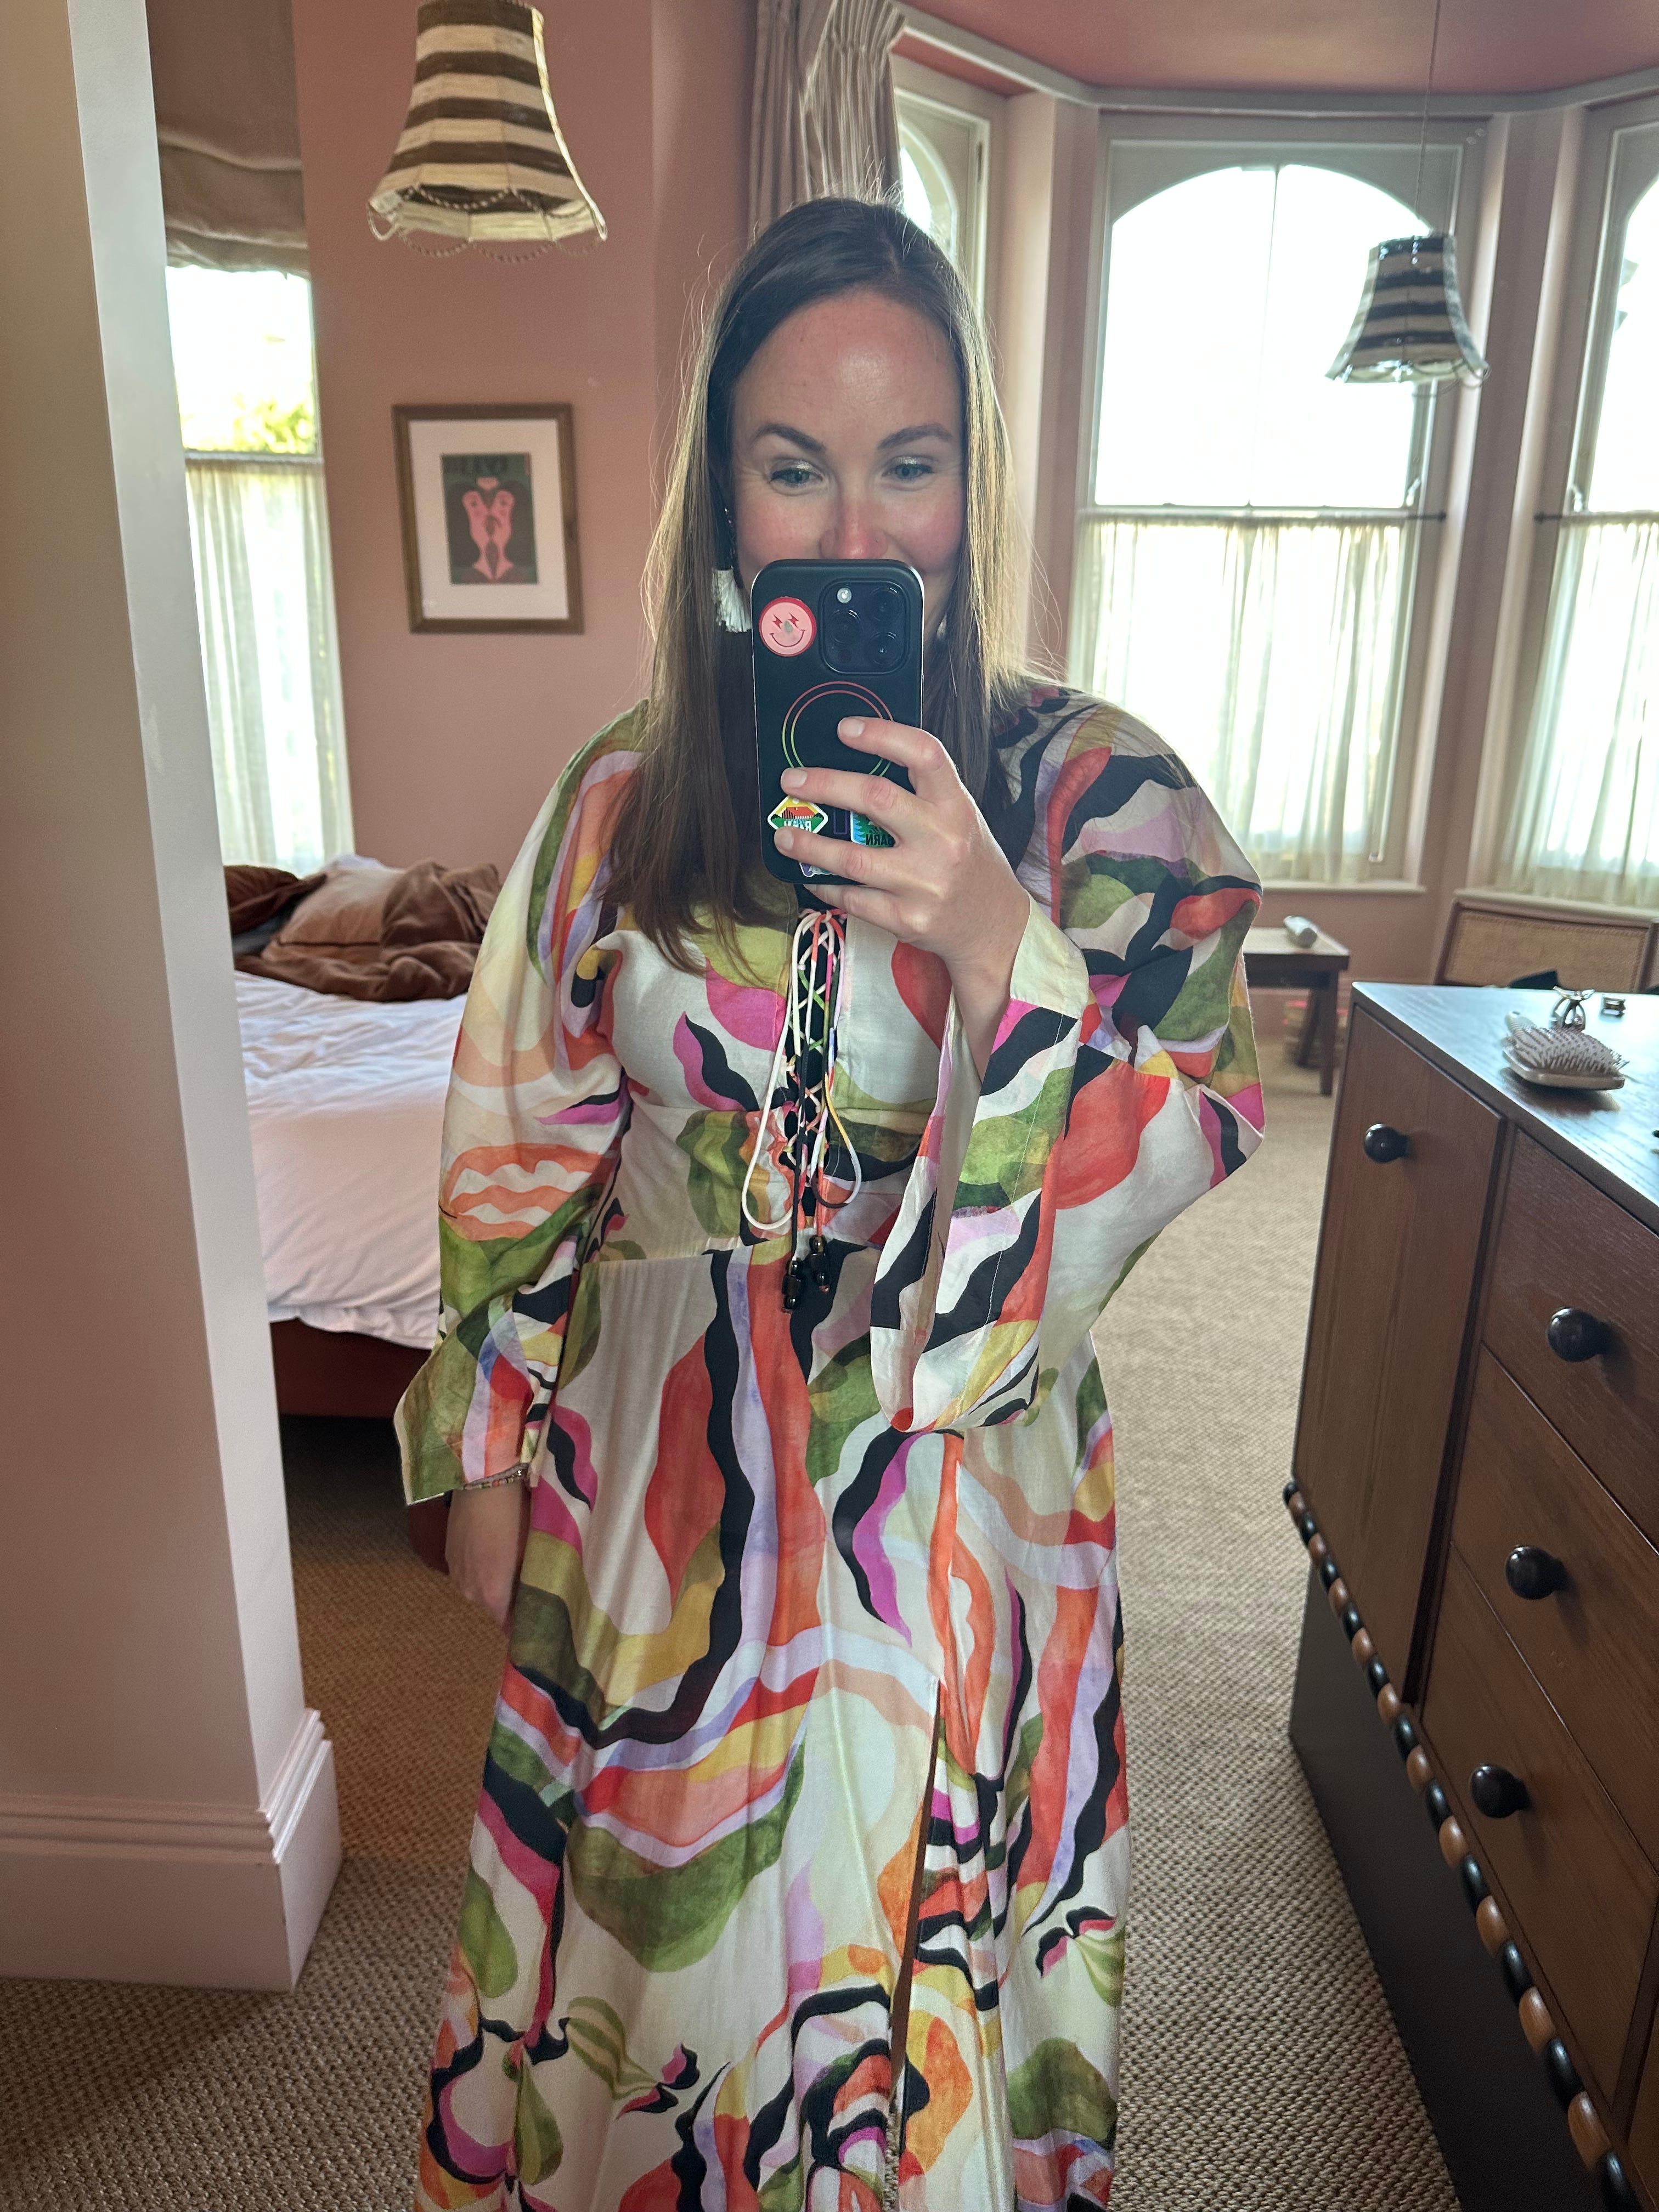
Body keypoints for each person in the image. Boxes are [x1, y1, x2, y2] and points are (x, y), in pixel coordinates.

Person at [397, 195, 1265, 2212]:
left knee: (909, 1963)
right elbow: (522, 1120)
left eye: (911, 464)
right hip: (663, 1476)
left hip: (960, 1488)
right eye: (795, 468)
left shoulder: (1099, 797)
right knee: (657, 1945)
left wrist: (993, 936)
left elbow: (1180, 1131)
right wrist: (494, 1449)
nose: (859, 528)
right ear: (726, 497)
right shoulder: (625, 796)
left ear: (974, 487)